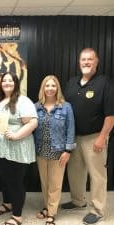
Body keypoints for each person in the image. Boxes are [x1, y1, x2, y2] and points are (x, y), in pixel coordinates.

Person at [61, 48, 114, 225]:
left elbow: (110, 116)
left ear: (96, 62)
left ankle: (97, 209)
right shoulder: (71, 82)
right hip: (73, 137)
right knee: (75, 172)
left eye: (90, 59)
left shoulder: (104, 83)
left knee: (98, 175)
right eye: (83, 59)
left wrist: (102, 137)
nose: (86, 62)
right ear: (79, 62)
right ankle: (78, 201)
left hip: (94, 137)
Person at [0, 72, 38, 225]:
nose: (6, 83)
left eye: (10, 80)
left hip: (16, 147)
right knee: (4, 178)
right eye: (4, 81)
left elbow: (32, 123)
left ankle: (17, 216)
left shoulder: (23, 101)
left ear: (16, 83)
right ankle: (8, 204)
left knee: (15, 182)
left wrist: (16, 135)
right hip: (1, 149)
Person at [34, 75, 76, 225]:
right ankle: (47, 206)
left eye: (53, 85)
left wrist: (68, 151)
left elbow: (71, 129)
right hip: (40, 150)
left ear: (57, 88)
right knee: (45, 183)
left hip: (58, 152)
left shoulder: (65, 107)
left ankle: (51, 213)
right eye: (47, 85)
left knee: (55, 184)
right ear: (43, 88)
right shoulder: (36, 106)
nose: (50, 88)